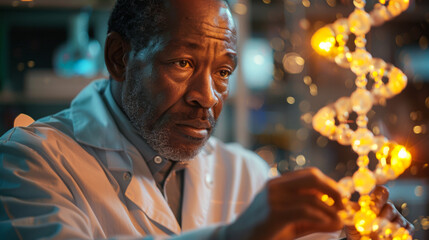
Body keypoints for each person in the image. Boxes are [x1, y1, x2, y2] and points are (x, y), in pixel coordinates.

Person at [0, 0, 413, 239]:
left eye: (223, 72)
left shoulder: (246, 172)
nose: (207, 97)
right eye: (182, 62)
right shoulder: (29, 161)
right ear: (119, 58)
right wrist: (237, 236)